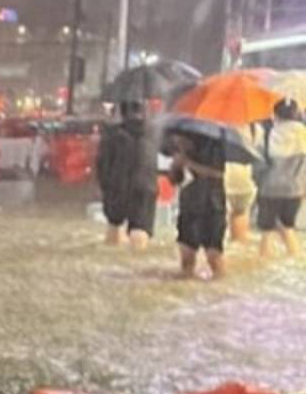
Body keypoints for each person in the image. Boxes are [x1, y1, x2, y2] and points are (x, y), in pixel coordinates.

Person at [95, 101, 159, 249]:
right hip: (146, 186)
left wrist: (104, 187)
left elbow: (102, 163)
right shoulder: (153, 132)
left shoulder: (112, 133)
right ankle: (137, 264)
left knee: (114, 224)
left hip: (117, 185)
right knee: (140, 228)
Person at [168, 129, 228, 280]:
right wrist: (176, 165)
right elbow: (175, 180)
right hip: (189, 204)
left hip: (213, 203)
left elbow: (218, 173)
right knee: (186, 259)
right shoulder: (181, 146)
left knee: (214, 257)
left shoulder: (215, 142)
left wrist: (189, 163)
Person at [255, 98, 306, 258]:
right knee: (288, 227)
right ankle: (296, 256)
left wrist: (257, 182)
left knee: (267, 231)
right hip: (295, 190)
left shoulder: (268, 134)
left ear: (275, 114)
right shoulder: (303, 134)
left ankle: (263, 263)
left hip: (270, 189)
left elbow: (258, 162)